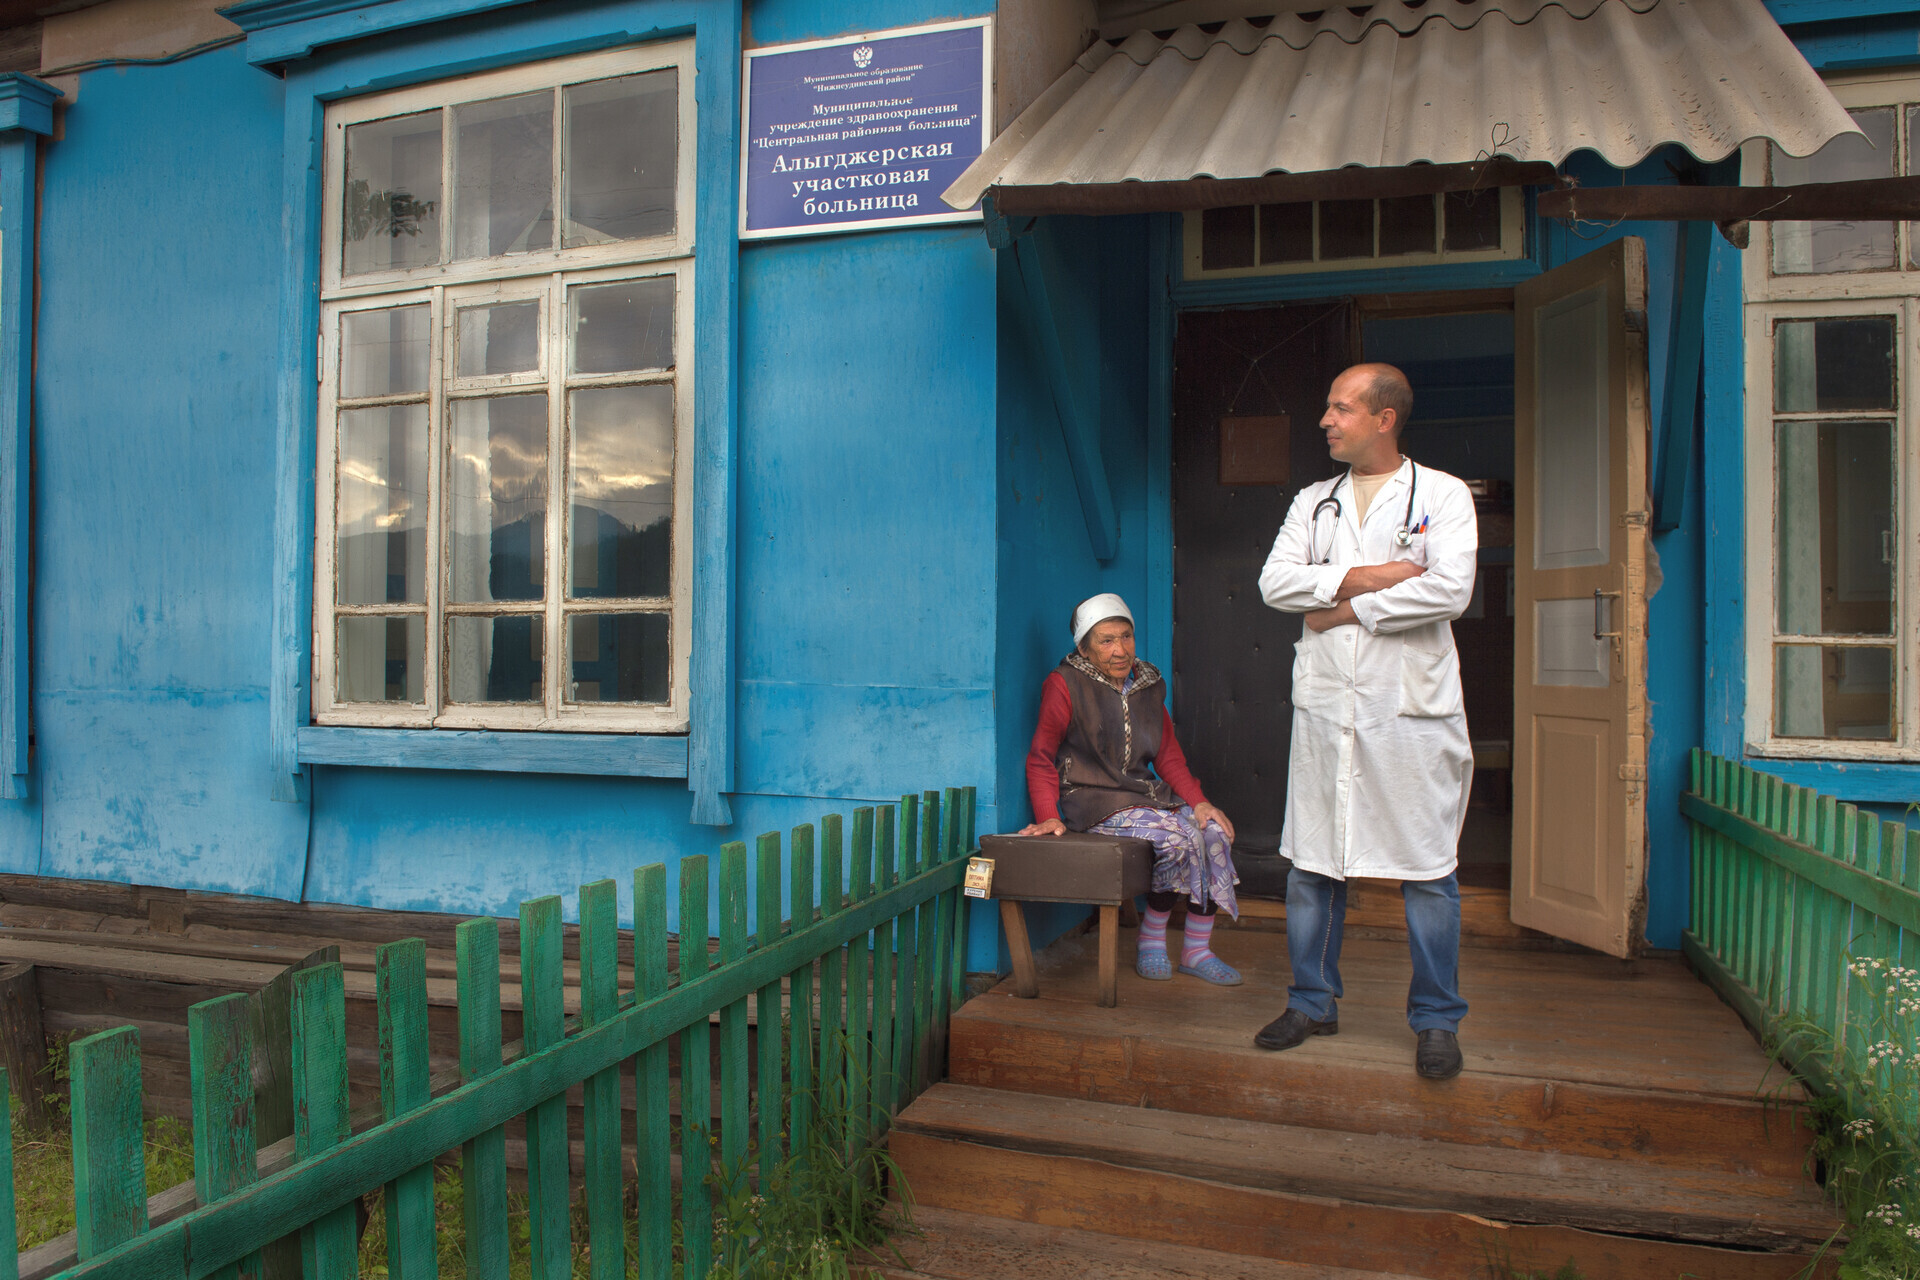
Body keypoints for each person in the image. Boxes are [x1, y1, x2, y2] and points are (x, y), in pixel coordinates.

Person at [1252, 363, 1477, 1080]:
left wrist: (1340, 606)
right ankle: (1313, 1001)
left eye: (1340, 407)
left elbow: (1450, 590)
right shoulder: (1313, 500)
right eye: (1327, 406)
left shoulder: (1440, 494)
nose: (1326, 419)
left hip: (1408, 711)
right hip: (1327, 708)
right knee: (1313, 865)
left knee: (1427, 869)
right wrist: (1379, 575)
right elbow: (1274, 583)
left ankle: (1437, 1019)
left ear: (1384, 419)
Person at [1016, 593, 1243, 985]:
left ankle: (1197, 950)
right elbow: (1040, 757)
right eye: (1106, 641)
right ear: (1084, 649)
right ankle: (1152, 941)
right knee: (1177, 837)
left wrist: (1200, 803)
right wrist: (1048, 815)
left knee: (1213, 834)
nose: (1120, 650)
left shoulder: (1149, 685)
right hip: (1091, 799)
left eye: (1126, 637)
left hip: (1143, 797)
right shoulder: (1064, 684)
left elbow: (1168, 755)